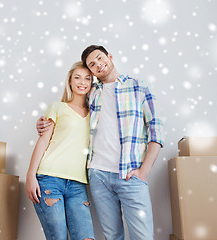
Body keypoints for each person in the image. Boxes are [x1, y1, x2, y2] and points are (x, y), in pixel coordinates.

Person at [37, 45, 164, 240]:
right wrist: (44, 123)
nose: (98, 65)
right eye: (92, 64)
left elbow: (156, 130)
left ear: (110, 56)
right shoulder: (92, 92)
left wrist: (144, 171)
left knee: (143, 236)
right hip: (98, 176)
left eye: (100, 58)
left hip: (131, 175)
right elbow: (72, 114)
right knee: (112, 236)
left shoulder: (139, 86)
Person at [25, 61, 95, 240]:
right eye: (77, 77)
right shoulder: (57, 107)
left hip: (78, 184)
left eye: (87, 78)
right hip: (49, 180)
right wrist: (30, 176)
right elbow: (43, 141)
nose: (82, 82)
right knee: (58, 237)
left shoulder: (95, 113)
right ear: (70, 82)